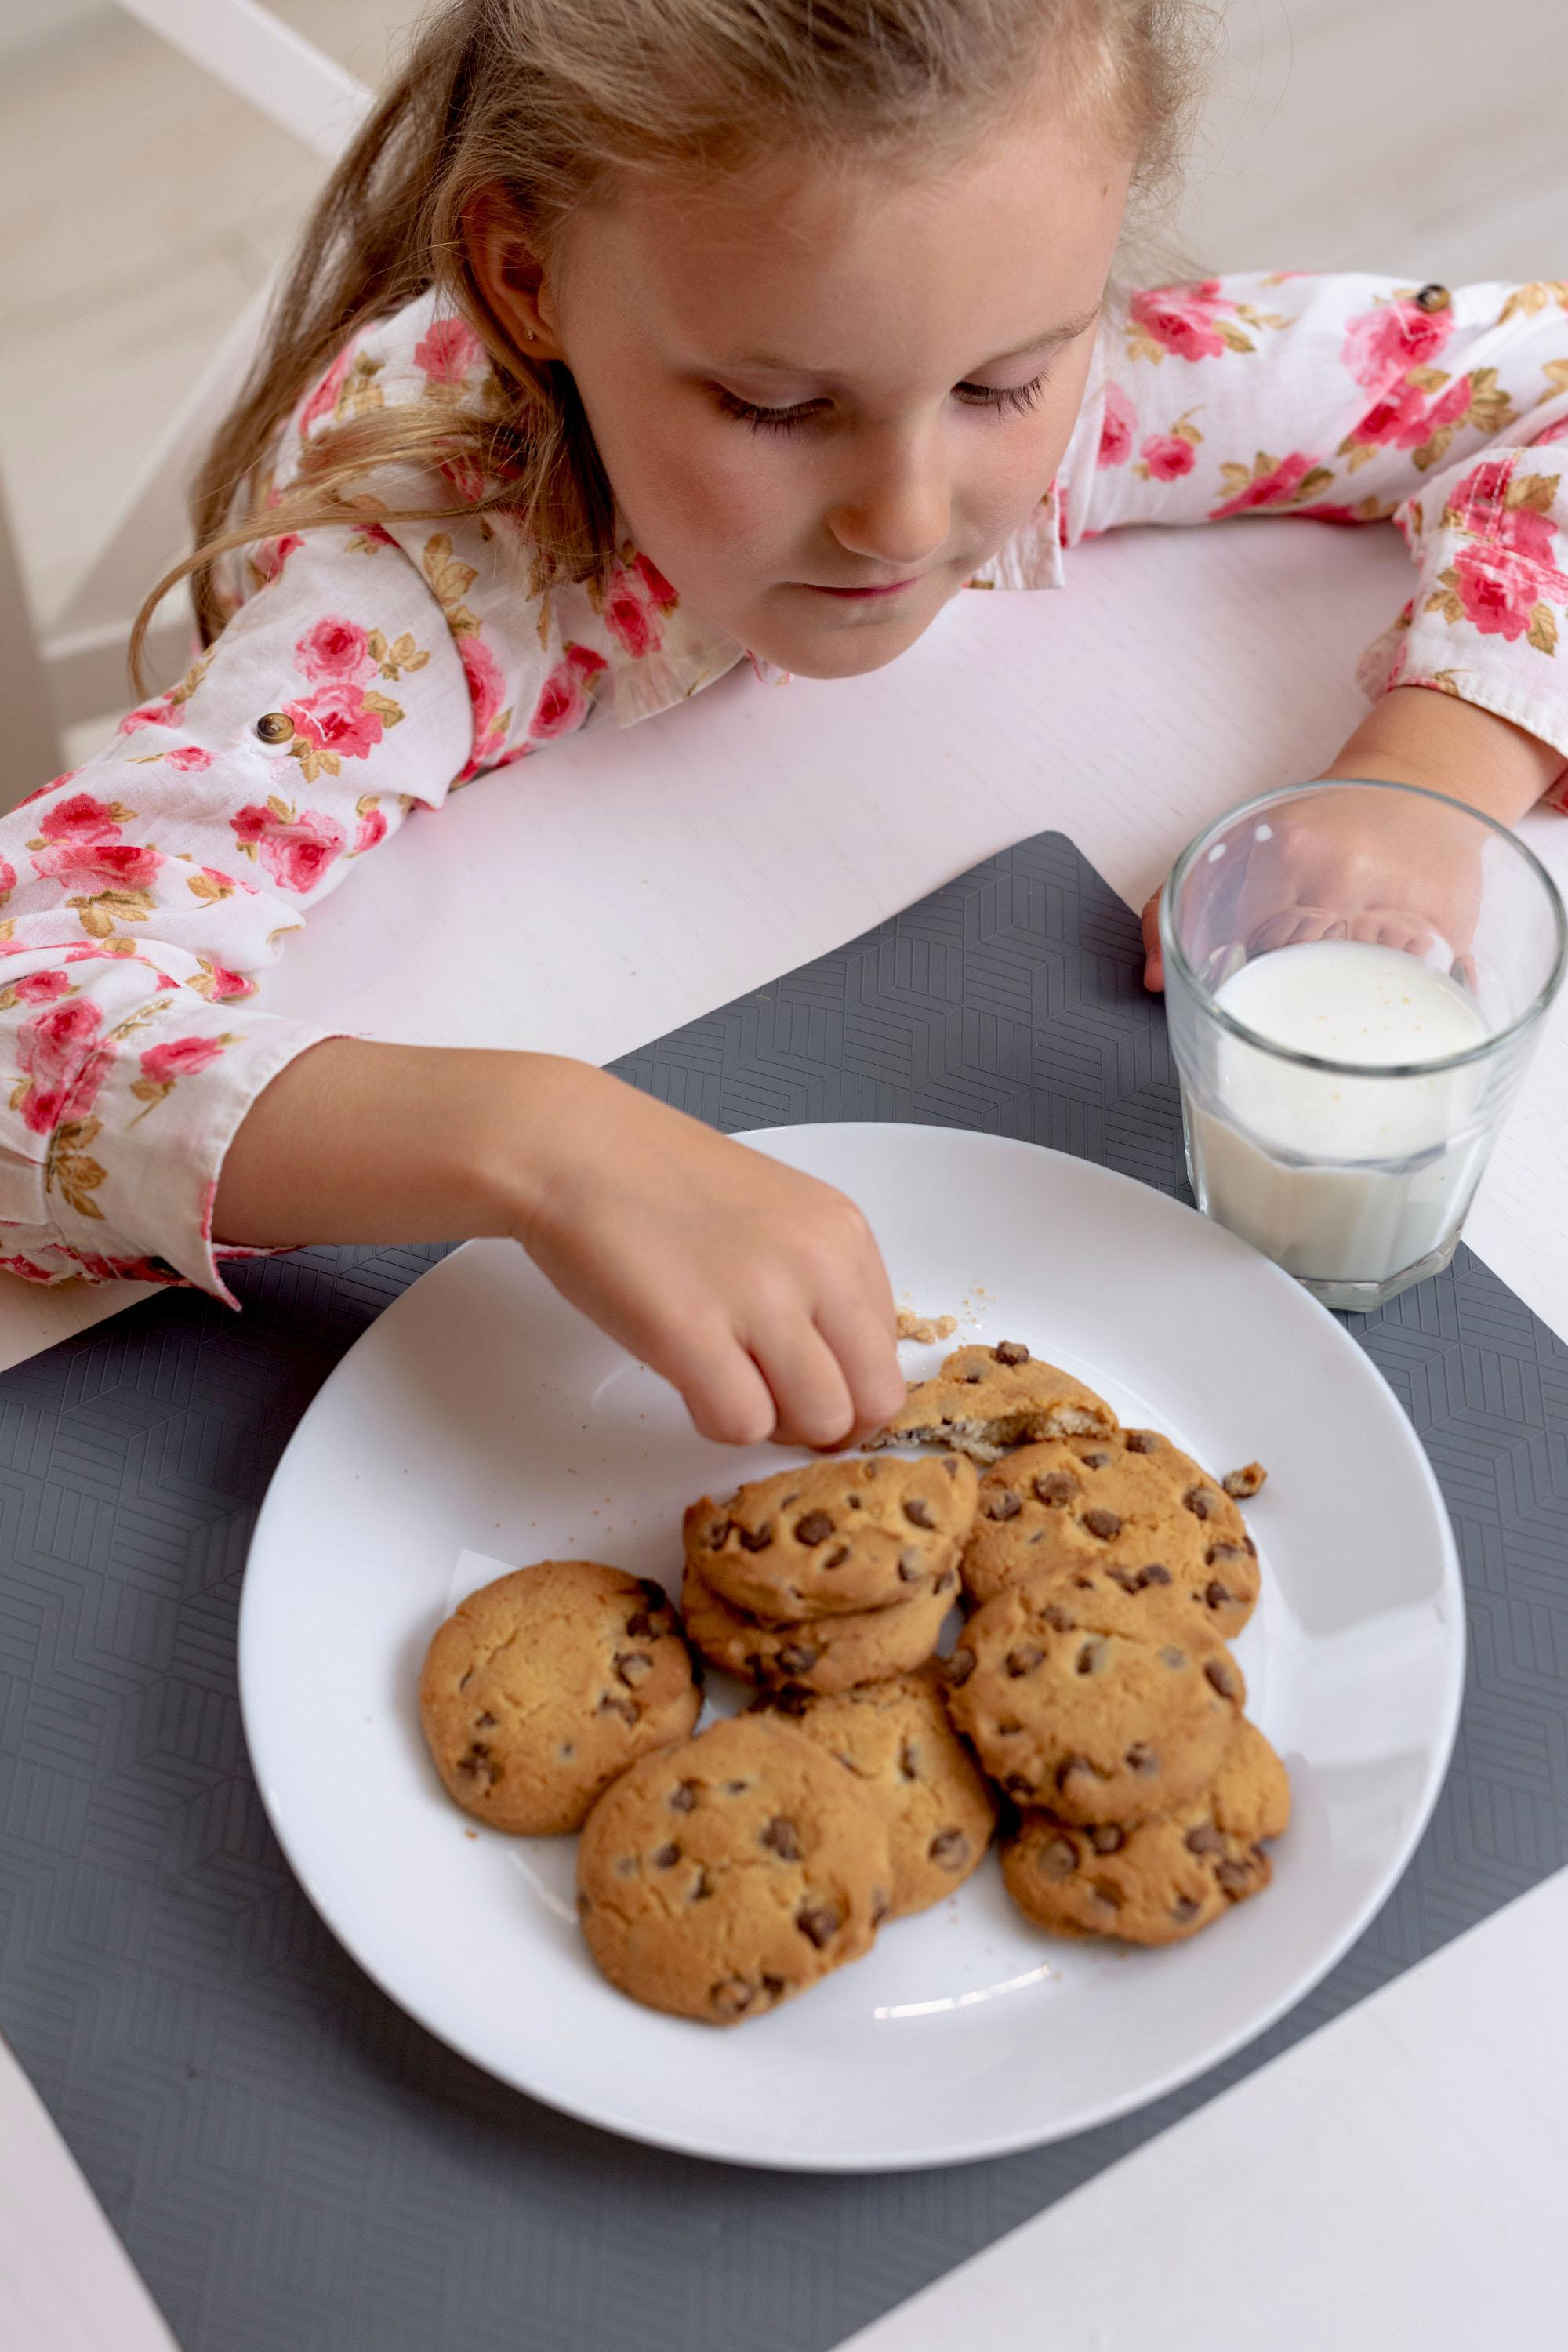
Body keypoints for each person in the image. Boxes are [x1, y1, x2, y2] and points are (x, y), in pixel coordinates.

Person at [9, 0, 1566, 1450]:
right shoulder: (420, 584)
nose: (902, 515)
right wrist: (540, 1144)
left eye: (1002, 380)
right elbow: (31, 1026)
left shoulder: (1108, 385)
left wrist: (1431, 769)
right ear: (528, 281)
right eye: (773, 407)